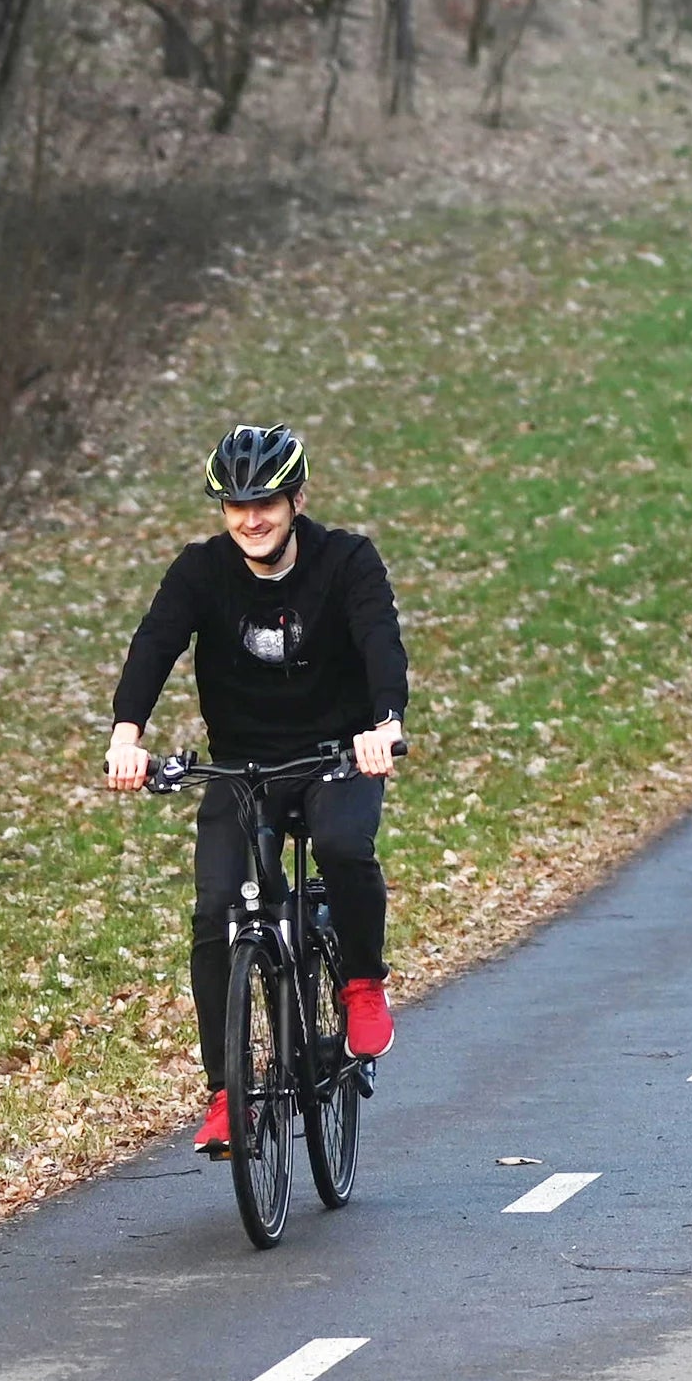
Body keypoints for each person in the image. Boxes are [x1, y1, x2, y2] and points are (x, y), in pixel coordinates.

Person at [105, 424, 409, 1156]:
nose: (251, 519)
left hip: (338, 755)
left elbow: (379, 640)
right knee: (216, 914)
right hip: (243, 767)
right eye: (235, 505)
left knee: (341, 844)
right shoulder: (202, 572)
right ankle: (224, 1096)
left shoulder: (346, 561)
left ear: (296, 499)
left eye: (266, 502)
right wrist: (126, 736)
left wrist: (385, 724)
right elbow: (155, 643)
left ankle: (361, 983)